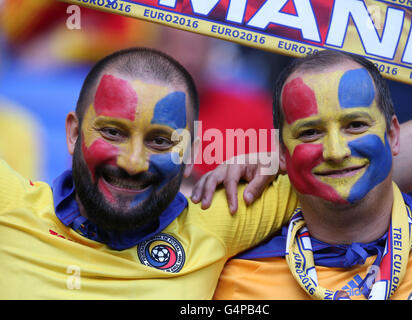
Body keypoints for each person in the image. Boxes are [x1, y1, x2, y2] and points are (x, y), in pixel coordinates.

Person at [0, 47, 300, 299]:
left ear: (190, 154)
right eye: (113, 132)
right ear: (74, 134)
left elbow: (335, 162)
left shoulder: (221, 218)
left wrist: (281, 155)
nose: (133, 163)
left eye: (159, 141)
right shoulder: (8, 203)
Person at [195, 50, 412, 300]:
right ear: (281, 152)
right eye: (310, 132)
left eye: (355, 125)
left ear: (393, 135)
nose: (336, 152)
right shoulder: (233, 282)